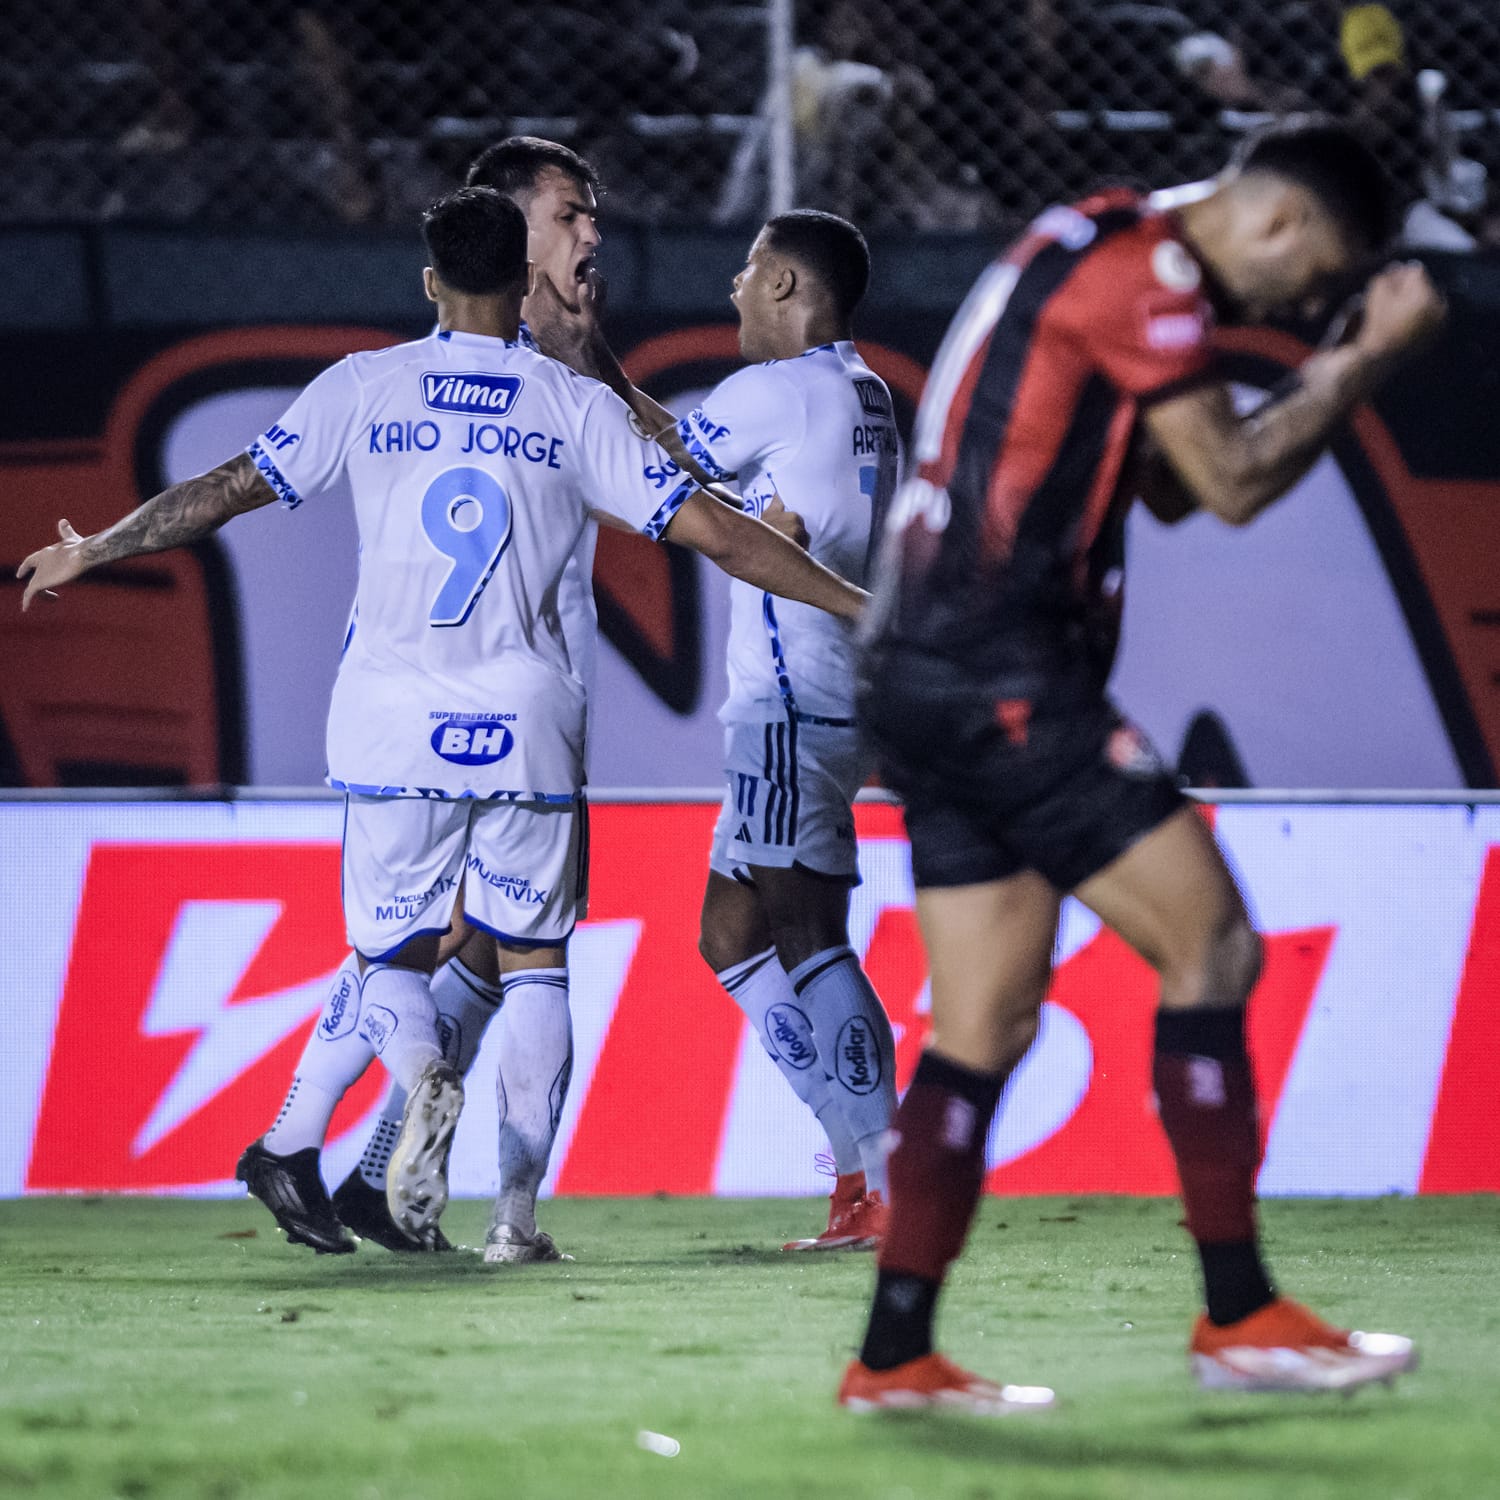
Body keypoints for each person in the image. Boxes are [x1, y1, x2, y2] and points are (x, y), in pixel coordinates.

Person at [17, 186, 868, 1252]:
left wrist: (95, 547)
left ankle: (421, 1079)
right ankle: (513, 1221)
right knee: (539, 964)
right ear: (523, 284)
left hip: (388, 721)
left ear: (429, 282)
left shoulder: (366, 386)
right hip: (527, 721)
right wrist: (854, 602)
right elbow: (721, 534)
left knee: (387, 962)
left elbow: (229, 486)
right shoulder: (574, 407)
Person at [837, 118, 1444, 1412]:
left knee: (984, 1025)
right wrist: (1365, 360)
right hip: (1002, 672)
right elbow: (1224, 484)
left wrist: (1329, 362)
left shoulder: (1101, 236)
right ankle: (1241, 1317)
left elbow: (1165, 487)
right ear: (1279, 221)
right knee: (1212, 947)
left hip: (921, 668)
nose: (1305, 300)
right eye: (1317, 271)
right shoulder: (1152, 276)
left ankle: (894, 1356)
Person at [240, 136, 747, 1266]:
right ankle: (387, 1171)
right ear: (513, 237)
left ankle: (329, 1155)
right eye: (570, 217)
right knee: (491, 948)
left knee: (448, 943)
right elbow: (662, 476)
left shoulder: (546, 356)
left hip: (503, 687)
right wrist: (742, 504)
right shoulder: (544, 359)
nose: (591, 239)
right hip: (511, 691)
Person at [656, 211, 900, 1251]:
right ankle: (858, 1170)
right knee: (731, 934)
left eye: (752, 272)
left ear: (793, 285)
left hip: (788, 700)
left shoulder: (769, 390)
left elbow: (656, 471)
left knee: (808, 936)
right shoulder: (865, 393)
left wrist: (584, 365)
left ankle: (885, 1177)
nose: (734, 288)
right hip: (836, 694)